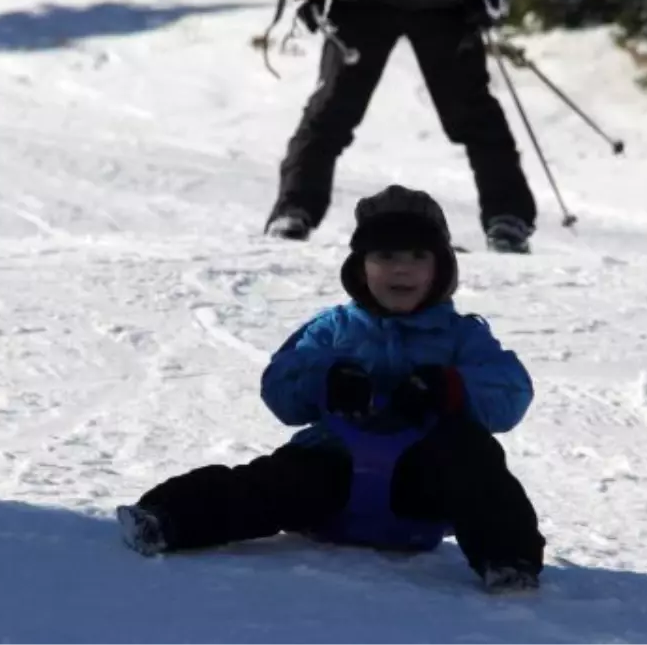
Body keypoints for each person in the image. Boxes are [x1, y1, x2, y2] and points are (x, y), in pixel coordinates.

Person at [118, 184, 545, 591]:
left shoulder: (461, 337)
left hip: (420, 487)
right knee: (267, 484)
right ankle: (166, 518)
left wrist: (450, 388)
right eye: (386, 254)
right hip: (333, 471)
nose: (402, 268)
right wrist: (327, 378)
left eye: (418, 255)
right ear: (360, 266)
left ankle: (509, 560)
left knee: (473, 456)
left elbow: (510, 394)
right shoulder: (334, 329)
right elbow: (281, 388)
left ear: (442, 268)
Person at [263, 0, 538, 254]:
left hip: (446, 3)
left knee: (474, 115)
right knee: (331, 109)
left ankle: (508, 217)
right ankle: (293, 210)